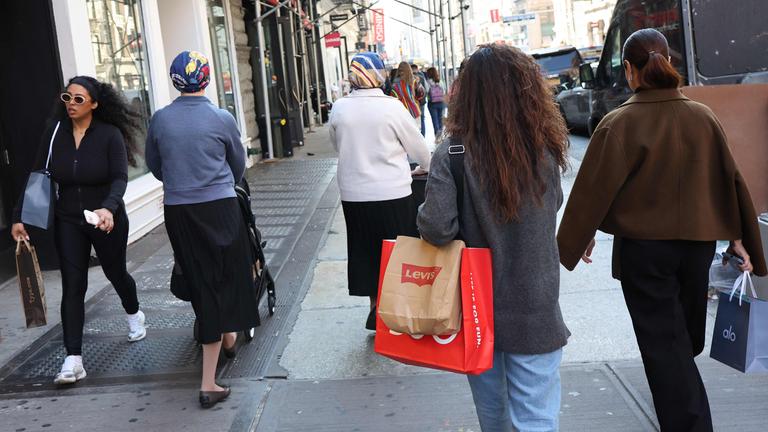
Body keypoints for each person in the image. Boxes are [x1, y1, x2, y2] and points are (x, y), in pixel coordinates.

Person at [557, 29, 767, 431]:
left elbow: (592, 189)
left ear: (630, 70)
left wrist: (578, 237)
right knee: (681, 343)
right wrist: (740, 237)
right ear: (668, 63)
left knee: (667, 349)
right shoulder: (702, 116)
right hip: (697, 246)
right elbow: (729, 180)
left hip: (645, 252)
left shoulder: (619, 123)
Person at [417, 44, 570, 431]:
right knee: (537, 419)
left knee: (494, 418)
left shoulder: (452, 154)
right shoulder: (544, 151)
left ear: (467, 94)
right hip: (536, 309)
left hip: (476, 309)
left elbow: (437, 228)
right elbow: (552, 207)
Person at [11, 76, 147, 385]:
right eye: (67, 98)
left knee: (116, 273)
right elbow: (38, 174)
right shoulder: (54, 132)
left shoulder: (109, 134)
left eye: (78, 99)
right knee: (73, 285)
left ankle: (134, 313)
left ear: (94, 104)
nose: (70, 104)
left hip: (105, 218)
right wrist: (19, 216)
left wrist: (108, 208)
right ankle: (73, 359)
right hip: (68, 219)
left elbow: (120, 177)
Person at [145, 51, 261, 409]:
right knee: (227, 274)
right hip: (220, 207)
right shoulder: (221, 117)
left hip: (179, 210)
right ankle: (209, 381)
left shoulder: (160, 119)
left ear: (174, 80)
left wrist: (182, 181)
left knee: (200, 279)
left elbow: (155, 165)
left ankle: (227, 336)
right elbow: (238, 165)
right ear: (207, 79)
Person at [330, 52, 431, 330]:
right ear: (378, 75)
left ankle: (375, 308)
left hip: (353, 193)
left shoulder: (339, 108)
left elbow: (336, 145)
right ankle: (397, 310)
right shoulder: (392, 107)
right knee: (398, 251)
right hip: (392, 192)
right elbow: (419, 149)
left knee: (365, 250)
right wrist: (425, 167)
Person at [389, 61, 423, 129]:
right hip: (415, 111)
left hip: (402, 113)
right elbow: (421, 95)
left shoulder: (395, 85)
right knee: (417, 132)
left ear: (399, 70)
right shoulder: (414, 81)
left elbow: (393, 100)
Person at [425, 67, 446, 135]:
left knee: (435, 121)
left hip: (432, 103)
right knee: (440, 120)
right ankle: (441, 135)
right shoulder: (440, 81)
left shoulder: (428, 82)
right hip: (441, 102)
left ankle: (437, 135)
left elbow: (426, 91)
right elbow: (444, 90)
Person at [411, 64, 429, 136]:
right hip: (421, 102)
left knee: (414, 119)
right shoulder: (422, 77)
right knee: (422, 119)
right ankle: (423, 136)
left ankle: (416, 136)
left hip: (413, 102)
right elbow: (427, 89)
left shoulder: (409, 78)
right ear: (417, 69)